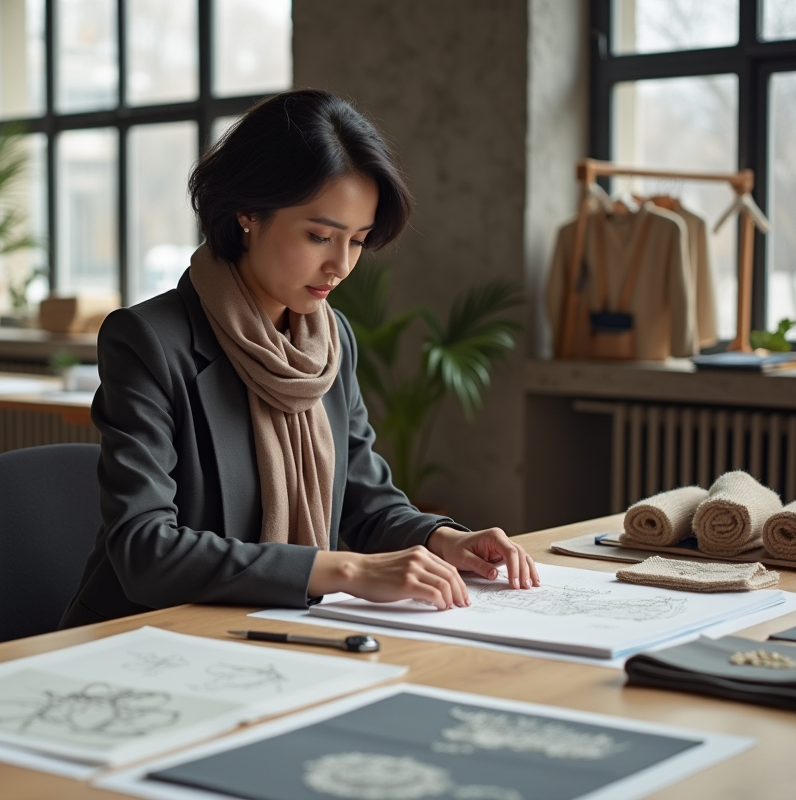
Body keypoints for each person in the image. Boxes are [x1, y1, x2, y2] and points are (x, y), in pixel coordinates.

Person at [59, 89, 539, 629]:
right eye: (319, 236)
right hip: (145, 637)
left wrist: (443, 538)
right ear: (247, 211)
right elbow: (144, 551)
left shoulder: (331, 342)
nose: (339, 266)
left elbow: (365, 499)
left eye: (357, 242)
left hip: (278, 629)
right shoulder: (149, 340)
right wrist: (344, 570)